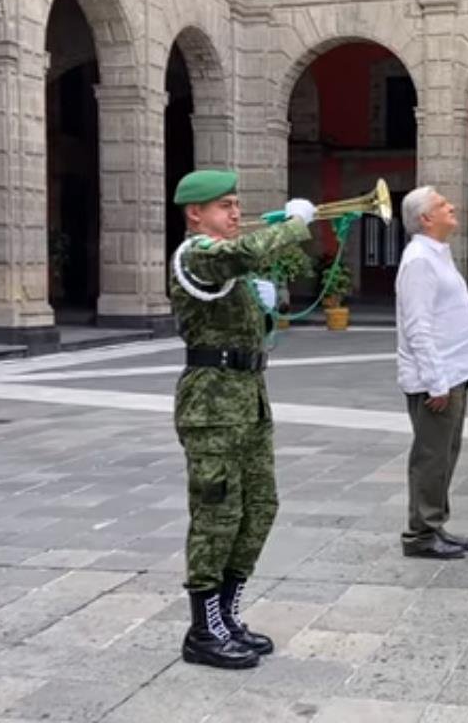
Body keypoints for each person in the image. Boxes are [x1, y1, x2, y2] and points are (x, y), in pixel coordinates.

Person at [169, 169, 316, 670]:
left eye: (236, 204)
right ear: (196, 214)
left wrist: (264, 306)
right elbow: (244, 252)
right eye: (225, 205)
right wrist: (295, 224)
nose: (236, 213)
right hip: (211, 407)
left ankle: (226, 615)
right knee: (217, 514)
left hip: (248, 398)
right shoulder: (196, 254)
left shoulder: (225, 264)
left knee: (260, 507)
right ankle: (202, 630)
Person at [394, 186, 468, 560]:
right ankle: (420, 534)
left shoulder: (436, 254)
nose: (451, 206)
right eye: (442, 204)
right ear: (425, 219)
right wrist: (436, 381)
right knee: (431, 456)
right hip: (437, 377)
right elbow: (417, 326)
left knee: (445, 453)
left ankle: (433, 525)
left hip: (454, 370)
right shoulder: (419, 259)